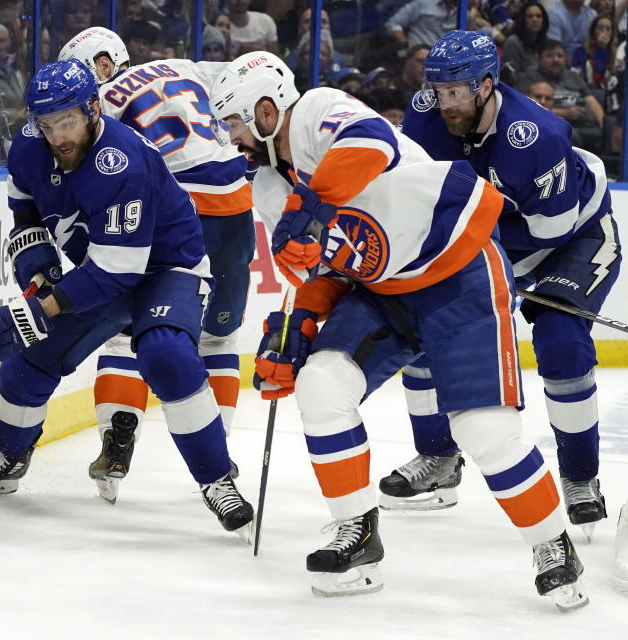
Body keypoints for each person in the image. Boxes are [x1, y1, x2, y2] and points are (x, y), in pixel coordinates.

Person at [209, 51, 588, 609]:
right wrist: (302, 322)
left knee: (484, 429)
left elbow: (372, 143)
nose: (231, 138)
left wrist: (310, 208)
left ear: (266, 111)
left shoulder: (315, 111)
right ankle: (358, 536)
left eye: (236, 123)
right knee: (320, 383)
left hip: (456, 268)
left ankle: (553, 544)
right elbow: (325, 268)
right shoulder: (266, 186)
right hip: (381, 291)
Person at [0, 59, 255, 540]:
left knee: (166, 354)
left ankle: (217, 479)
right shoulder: (28, 148)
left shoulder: (122, 158)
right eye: (45, 124)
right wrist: (38, 272)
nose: (56, 136)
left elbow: (118, 272)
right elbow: (25, 213)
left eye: (66, 121)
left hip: (166, 269)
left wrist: (32, 310)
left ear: (92, 109)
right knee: (31, 353)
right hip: (102, 269)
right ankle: (9, 457)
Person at [384, 31, 618, 545]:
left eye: (457, 93)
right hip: (496, 239)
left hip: (574, 236)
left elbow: (550, 233)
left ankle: (580, 480)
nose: (445, 104)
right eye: (439, 91)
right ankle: (439, 458)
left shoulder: (537, 135)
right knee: (422, 325)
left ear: (487, 85)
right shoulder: (425, 117)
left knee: (560, 338)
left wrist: (492, 274)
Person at [58, 27, 255, 502]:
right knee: (219, 336)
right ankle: (218, 455)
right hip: (235, 207)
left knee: (128, 325)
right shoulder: (188, 68)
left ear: (104, 65)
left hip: (174, 214)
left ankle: (117, 435)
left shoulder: (95, 104)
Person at [518, 39, 604, 152]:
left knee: (607, 132)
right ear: (539, 59)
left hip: (584, 125)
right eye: (549, 56)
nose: (556, 60)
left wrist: (604, 125)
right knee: (573, 136)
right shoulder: (530, 77)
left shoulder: (574, 77)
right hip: (554, 127)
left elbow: (591, 101)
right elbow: (526, 109)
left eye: (560, 56)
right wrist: (565, 113)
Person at [502, 2, 550, 80]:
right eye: (529, 16)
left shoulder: (546, 41)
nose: (535, 20)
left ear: (543, 21)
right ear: (523, 20)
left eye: (538, 16)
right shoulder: (513, 42)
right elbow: (512, 77)